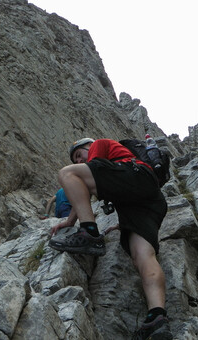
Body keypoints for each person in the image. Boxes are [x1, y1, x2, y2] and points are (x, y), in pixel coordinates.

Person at [48, 138, 172, 340]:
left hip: (134, 175)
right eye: (76, 158)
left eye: (80, 154)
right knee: (142, 256)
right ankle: (157, 318)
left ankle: (89, 232)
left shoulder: (100, 144)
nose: (79, 159)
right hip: (149, 199)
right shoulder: (121, 161)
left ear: (89, 146)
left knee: (67, 173)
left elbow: (87, 178)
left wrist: (72, 221)